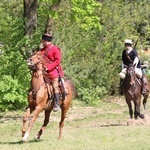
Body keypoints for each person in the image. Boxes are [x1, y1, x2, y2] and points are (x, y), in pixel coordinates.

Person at [40, 33, 64, 112]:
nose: (42, 42)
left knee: (54, 86)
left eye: (42, 41)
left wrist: (48, 67)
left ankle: (57, 103)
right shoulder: (42, 50)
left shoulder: (55, 49)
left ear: (45, 41)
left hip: (53, 71)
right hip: (43, 72)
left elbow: (58, 61)